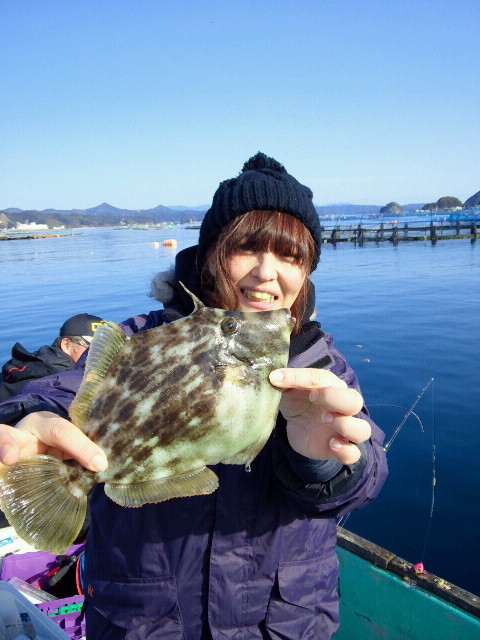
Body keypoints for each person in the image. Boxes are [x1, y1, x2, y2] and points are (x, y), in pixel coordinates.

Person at [0, 153, 388, 639]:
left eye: (290, 256)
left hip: (281, 623)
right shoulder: (147, 337)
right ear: (211, 254)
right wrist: (32, 416)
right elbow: (63, 392)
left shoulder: (321, 365)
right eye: (246, 247)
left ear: (306, 272)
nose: (267, 272)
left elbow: (367, 476)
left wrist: (325, 462)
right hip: (146, 622)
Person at [0, 313, 104, 402]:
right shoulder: (59, 382)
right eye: (93, 347)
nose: (101, 354)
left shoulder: (37, 361)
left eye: (107, 349)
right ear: (66, 345)